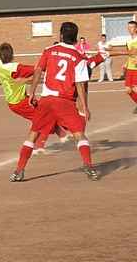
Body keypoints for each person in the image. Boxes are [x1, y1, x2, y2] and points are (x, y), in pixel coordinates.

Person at [9, 22, 99, 182]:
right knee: (79, 135)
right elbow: (80, 84)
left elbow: (38, 70)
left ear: (61, 35)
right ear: (76, 38)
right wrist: (85, 106)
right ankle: (89, 166)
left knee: (33, 134)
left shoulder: (49, 51)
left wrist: (32, 92)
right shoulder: (79, 57)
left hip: (47, 100)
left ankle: (19, 170)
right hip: (65, 102)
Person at [0, 43, 68, 154]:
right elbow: (37, 69)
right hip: (19, 102)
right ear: (12, 55)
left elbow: (21, 79)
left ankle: (62, 136)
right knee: (42, 118)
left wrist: (25, 80)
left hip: (17, 100)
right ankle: (39, 146)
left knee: (45, 115)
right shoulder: (16, 68)